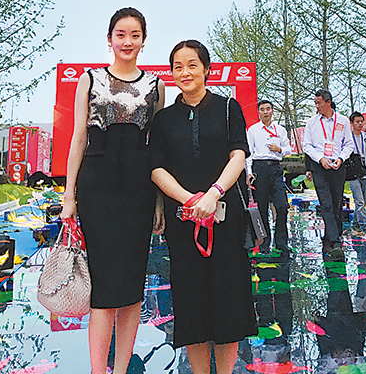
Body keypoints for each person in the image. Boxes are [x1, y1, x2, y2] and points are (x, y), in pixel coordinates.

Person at [60, 7, 165, 374]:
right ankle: (97, 369)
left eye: (135, 35)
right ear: (109, 39)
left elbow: (156, 146)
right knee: (103, 286)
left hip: (138, 187)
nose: (127, 41)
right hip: (98, 185)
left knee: (133, 285)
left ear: (143, 41)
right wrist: (69, 195)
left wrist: (159, 202)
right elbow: (79, 138)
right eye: (121, 34)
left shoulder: (156, 86)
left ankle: (120, 369)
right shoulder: (90, 79)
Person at [150, 39, 257, 374]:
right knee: (191, 303)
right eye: (178, 66)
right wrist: (189, 200)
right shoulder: (164, 119)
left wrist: (213, 194)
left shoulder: (228, 108)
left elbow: (238, 155)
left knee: (228, 302)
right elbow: (156, 168)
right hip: (183, 222)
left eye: (192, 65)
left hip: (226, 219)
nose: (185, 72)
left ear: (207, 69)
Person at [303, 90, 354, 252]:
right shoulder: (312, 123)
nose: (317, 106)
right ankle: (335, 241)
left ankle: (333, 235)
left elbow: (349, 144)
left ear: (328, 102)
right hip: (320, 166)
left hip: (337, 165)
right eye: (315, 103)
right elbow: (307, 146)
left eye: (319, 103)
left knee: (336, 203)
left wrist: (341, 158)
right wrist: (320, 159)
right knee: (325, 203)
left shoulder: (343, 121)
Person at [245, 100, 292, 254]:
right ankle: (264, 242)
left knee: (282, 205)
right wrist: (249, 172)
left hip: (275, 168)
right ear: (259, 112)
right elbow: (249, 153)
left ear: (272, 111)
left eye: (268, 109)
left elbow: (288, 149)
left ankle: (281, 241)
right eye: (262, 109)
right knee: (262, 207)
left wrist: (280, 149)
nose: (265, 112)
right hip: (259, 169)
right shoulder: (253, 130)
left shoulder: (280, 130)